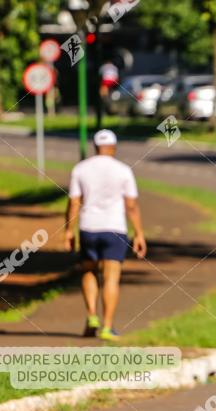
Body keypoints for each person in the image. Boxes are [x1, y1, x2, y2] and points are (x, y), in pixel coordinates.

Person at [64, 129, 147, 340]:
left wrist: (68, 231)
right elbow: (131, 205)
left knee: (88, 271)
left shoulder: (81, 169)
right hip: (115, 228)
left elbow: (74, 202)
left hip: (88, 228)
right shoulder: (123, 170)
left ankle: (92, 316)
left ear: (95, 147)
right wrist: (139, 233)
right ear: (114, 147)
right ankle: (107, 326)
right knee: (111, 278)